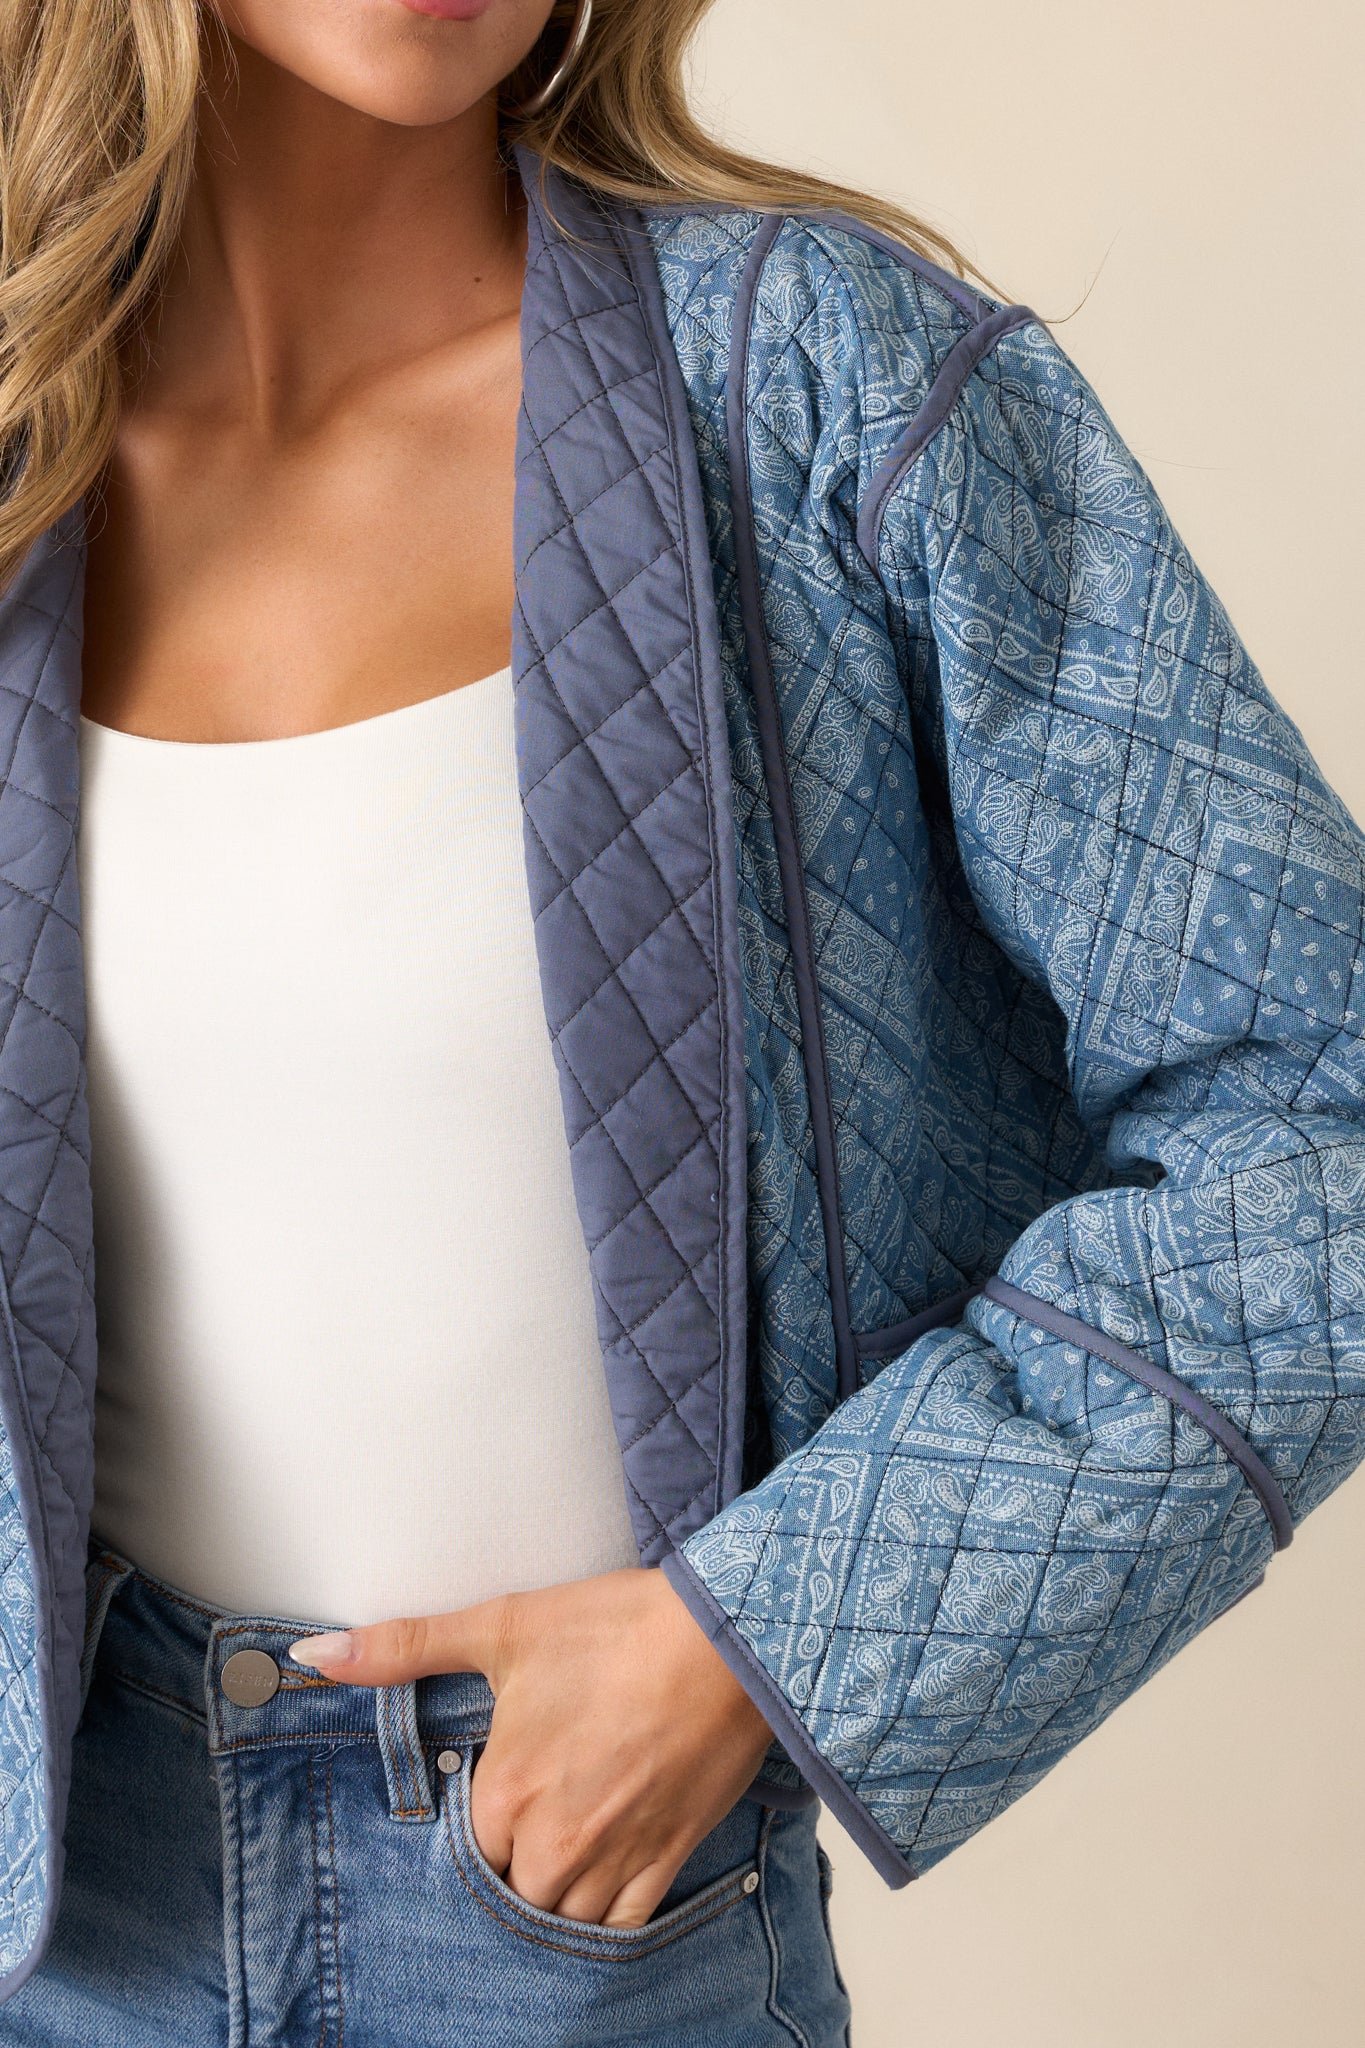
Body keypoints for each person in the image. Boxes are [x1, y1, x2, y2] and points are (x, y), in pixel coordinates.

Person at [0, 0, 1361, 2041]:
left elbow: (1316, 1111)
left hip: (569, 1920)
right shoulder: (25, 432)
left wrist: (766, 1642)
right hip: (55, 1916)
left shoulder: (823, 381)